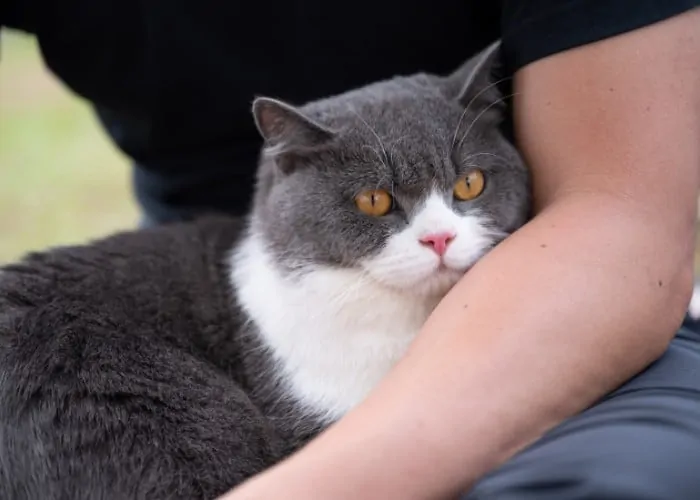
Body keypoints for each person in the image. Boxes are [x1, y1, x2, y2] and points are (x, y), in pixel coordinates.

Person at [3, 1, 700, 498]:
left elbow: (625, 211)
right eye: (376, 204)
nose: (438, 233)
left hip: (565, 274)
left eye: (468, 186)